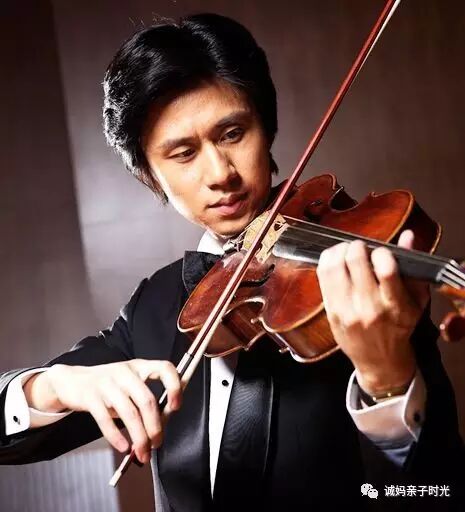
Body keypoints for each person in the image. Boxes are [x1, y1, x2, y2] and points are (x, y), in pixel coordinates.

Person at [0, 12, 464, 511]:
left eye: (232, 133)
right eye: (183, 153)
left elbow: (437, 492)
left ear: (266, 128)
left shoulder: (366, 286)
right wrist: (55, 384)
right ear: (150, 177)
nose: (220, 173)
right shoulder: (154, 306)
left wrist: (387, 380)